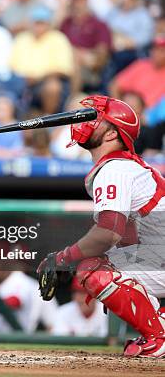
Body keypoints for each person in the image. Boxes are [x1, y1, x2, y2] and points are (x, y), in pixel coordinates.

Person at [37, 95, 165, 358]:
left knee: (92, 267)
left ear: (111, 134)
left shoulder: (115, 169)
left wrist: (64, 257)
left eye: (95, 119)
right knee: (101, 261)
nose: (85, 121)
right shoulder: (123, 168)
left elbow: (108, 232)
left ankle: (158, 339)